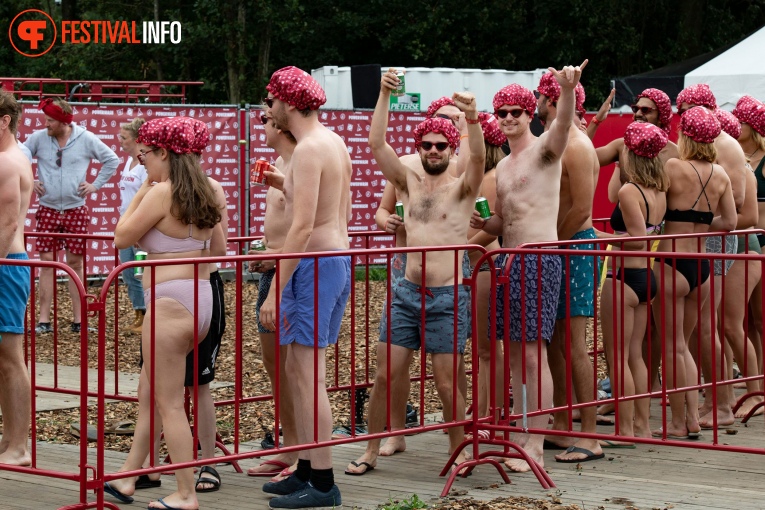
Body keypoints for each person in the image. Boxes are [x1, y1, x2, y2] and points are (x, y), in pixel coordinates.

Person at [346, 69, 485, 478]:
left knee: (446, 385)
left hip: (446, 297)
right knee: (384, 376)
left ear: (451, 147)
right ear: (419, 147)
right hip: (406, 293)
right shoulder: (407, 181)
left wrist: (473, 117)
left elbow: (477, 158)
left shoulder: (462, 187)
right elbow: (375, 143)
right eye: (427, 145)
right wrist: (386, 93)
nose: (434, 150)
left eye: (441, 145)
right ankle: (370, 449)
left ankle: (459, 449)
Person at [472, 60, 587, 472]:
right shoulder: (502, 166)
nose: (507, 119)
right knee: (518, 354)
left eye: (515, 112)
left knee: (534, 355)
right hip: (510, 259)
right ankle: (522, 433)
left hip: (538, 259)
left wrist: (569, 90)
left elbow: (563, 128)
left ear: (528, 115)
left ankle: (534, 442)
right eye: (500, 113)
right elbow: (504, 220)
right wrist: (485, 225)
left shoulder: (544, 150)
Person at [107, 116, 222, 510]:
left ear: (164, 153)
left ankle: (186, 492)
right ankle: (127, 478)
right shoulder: (212, 190)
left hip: (169, 300)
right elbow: (219, 253)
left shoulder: (160, 193)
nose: (143, 166)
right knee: (150, 394)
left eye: (146, 158)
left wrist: (141, 191)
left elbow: (122, 236)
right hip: (202, 296)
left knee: (170, 403)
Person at [257, 66, 352, 509]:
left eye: (272, 99)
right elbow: (330, 211)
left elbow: (301, 228)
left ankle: (324, 482)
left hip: (314, 265)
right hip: (326, 262)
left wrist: (276, 289)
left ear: (290, 104)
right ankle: (308, 471)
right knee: (298, 371)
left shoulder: (311, 148)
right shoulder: (330, 142)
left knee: (309, 376)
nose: (269, 107)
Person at [651, 106, 736, 440]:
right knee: (682, 347)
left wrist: (678, 222)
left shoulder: (673, 166)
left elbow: (655, 212)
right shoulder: (720, 174)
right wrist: (699, 222)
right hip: (702, 266)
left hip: (673, 261)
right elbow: (729, 223)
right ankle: (692, 420)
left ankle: (677, 422)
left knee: (673, 346)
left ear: (684, 135)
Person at [535, 72, 603, 462]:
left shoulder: (576, 146)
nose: (536, 104)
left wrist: (550, 240)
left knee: (575, 345)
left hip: (573, 244)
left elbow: (581, 208)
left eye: (538, 98)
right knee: (556, 342)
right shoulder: (562, 140)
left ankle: (590, 435)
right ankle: (563, 423)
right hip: (562, 244)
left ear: (551, 100)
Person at [675, 85, 748, 431]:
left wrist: (697, 223)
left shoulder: (720, 145)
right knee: (700, 328)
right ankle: (713, 397)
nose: (682, 115)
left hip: (714, 242)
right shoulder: (717, 144)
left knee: (707, 327)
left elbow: (738, 202)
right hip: (710, 238)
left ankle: (722, 402)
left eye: (686, 109)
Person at [595, 122, 669, 440]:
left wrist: (594, 234)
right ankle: (642, 425)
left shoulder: (629, 191)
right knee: (635, 355)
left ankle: (625, 428)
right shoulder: (659, 189)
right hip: (645, 277)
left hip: (624, 276)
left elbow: (636, 240)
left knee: (619, 357)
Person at [24, 98, 119, 334]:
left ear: (63, 121)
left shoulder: (85, 138)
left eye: (50, 120)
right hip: (47, 208)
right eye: (46, 119)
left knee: (76, 263)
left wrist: (95, 185)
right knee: (47, 263)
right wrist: (30, 179)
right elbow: (22, 153)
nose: (45, 124)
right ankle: (43, 322)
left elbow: (111, 159)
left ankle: (80, 321)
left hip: (76, 208)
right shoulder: (38, 138)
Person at [246, 111, 300, 479]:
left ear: (280, 126)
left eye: (265, 119)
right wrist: (265, 250)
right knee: (274, 365)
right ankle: (289, 445)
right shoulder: (280, 162)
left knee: (297, 368)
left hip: (293, 273)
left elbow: (310, 225)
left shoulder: (303, 161)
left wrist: (277, 262)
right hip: (274, 269)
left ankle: (303, 454)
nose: (261, 126)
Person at [0, 90, 35, 466]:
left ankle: (19, 446)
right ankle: (10, 440)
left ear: (4, 120)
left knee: (10, 357)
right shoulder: (15, 157)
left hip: (7, 263)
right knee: (4, 358)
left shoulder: (8, 162)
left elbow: (8, 222)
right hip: (8, 262)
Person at [466, 113, 504, 421]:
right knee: (483, 349)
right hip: (478, 264)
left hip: (485, 264)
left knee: (488, 348)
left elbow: (490, 227)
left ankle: (491, 412)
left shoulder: (491, 179)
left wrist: (459, 248)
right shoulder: (482, 176)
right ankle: (483, 409)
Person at [733, 96, 765, 381]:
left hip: (760, 245)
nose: (735, 124)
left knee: (760, 319)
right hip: (744, 246)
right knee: (745, 321)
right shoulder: (735, 157)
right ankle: (754, 376)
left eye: (740, 121)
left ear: (752, 126)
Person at [117, 118, 148, 334]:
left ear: (136, 140)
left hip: (139, 225)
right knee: (128, 273)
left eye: (123, 137)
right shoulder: (129, 162)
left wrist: (140, 227)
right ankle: (138, 312)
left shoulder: (145, 164)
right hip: (126, 223)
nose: (119, 141)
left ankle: (147, 315)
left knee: (141, 272)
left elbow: (148, 195)